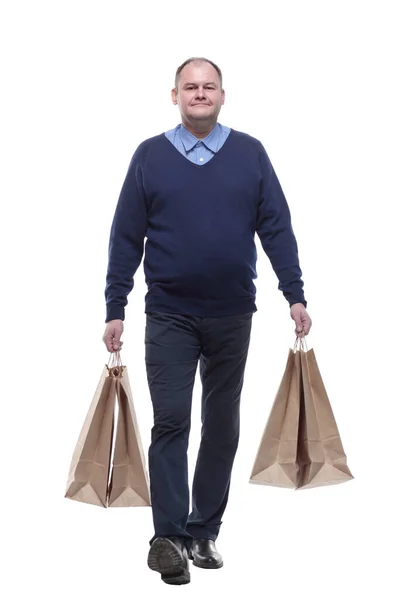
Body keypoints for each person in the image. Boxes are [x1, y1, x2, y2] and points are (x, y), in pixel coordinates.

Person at [102, 56, 312, 585]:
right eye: (190, 87)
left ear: (223, 95)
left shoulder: (250, 154)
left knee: (221, 425)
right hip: (169, 314)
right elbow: (126, 236)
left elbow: (277, 227)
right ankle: (168, 538)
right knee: (171, 421)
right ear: (173, 96)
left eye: (208, 86)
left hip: (231, 314)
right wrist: (115, 307)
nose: (199, 93)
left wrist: (295, 294)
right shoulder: (150, 156)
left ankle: (203, 531)